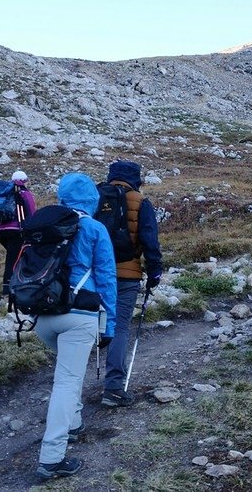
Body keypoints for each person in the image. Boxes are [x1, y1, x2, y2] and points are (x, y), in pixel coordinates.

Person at [35, 173, 118, 479]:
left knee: (68, 372)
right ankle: (52, 458)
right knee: (67, 382)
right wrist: (108, 326)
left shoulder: (44, 225)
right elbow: (107, 279)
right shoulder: (94, 228)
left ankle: (74, 423)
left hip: (42, 315)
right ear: (91, 200)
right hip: (79, 316)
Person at [101, 161, 163, 408]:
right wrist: (155, 271)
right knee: (119, 326)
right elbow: (149, 239)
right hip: (127, 274)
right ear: (136, 179)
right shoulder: (140, 201)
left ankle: (71, 388)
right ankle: (114, 387)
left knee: (93, 324)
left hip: (95, 275)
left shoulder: (97, 196)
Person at [0, 170, 36, 296]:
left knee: (15, 257)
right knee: (13, 260)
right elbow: (31, 212)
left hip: (0, 231)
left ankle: (16, 286)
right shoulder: (24, 193)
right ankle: (8, 291)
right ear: (25, 180)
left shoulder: (4, 193)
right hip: (16, 230)